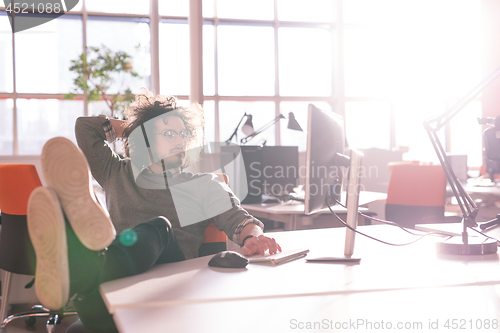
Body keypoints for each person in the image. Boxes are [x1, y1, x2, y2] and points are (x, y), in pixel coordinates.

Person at [27, 91, 281, 332]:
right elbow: (86, 128)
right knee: (103, 282)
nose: (180, 140)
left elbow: (240, 220)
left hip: (169, 291)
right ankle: (81, 274)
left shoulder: (203, 184)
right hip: (112, 298)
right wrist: (136, 129)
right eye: (169, 133)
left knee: (159, 228)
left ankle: (79, 270)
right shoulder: (116, 172)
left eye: (183, 134)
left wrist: (253, 238)